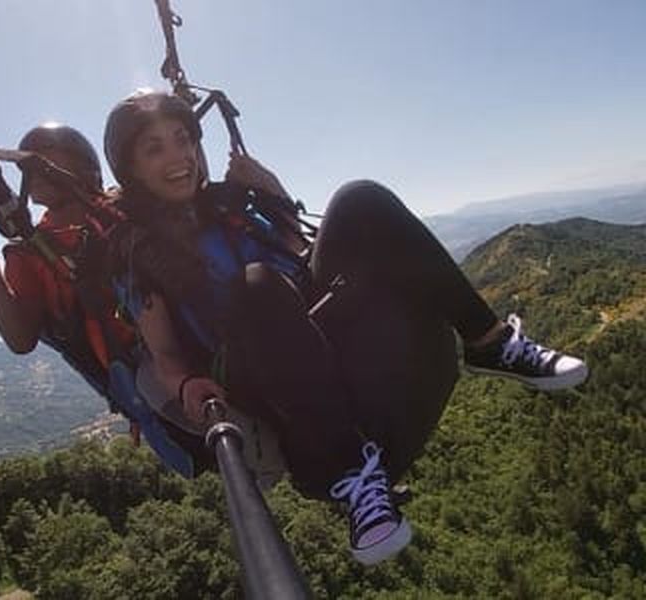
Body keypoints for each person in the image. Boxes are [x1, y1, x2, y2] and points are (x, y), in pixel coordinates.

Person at [101, 90, 588, 565]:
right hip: (259, 368)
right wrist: (185, 384)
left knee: (360, 198)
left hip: (314, 321)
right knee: (256, 285)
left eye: (183, 138)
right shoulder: (141, 253)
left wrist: (272, 193)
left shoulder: (228, 205)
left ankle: (489, 340)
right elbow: (163, 353)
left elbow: (296, 255)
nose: (179, 155)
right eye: (155, 147)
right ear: (131, 168)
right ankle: (352, 474)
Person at [0, 122, 205, 477]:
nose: (34, 172)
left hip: (204, 335)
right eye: (28, 166)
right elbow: (20, 340)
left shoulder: (124, 207)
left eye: (45, 160)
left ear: (84, 169)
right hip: (153, 379)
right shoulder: (32, 254)